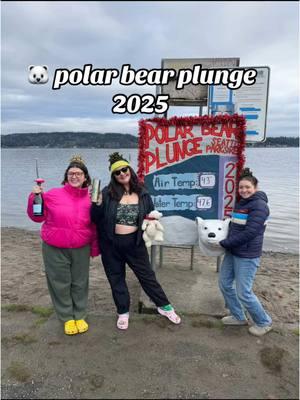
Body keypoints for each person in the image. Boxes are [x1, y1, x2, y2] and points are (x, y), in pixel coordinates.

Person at [91, 152, 181, 330]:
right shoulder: (106, 193)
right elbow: (95, 218)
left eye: (124, 169)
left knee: (147, 276)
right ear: (113, 176)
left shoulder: (143, 193)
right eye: (117, 172)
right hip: (111, 244)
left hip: (135, 243)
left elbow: (151, 215)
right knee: (116, 279)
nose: (122, 174)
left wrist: (153, 223)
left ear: (130, 170)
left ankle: (164, 306)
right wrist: (97, 205)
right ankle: (123, 312)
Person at [27, 155, 99, 335]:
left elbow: (96, 224)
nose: (74, 176)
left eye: (79, 173)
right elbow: (37, 217)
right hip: (54, 248)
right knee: (60, 283)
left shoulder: (92, 198)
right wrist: (34, 197)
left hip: (81, 248)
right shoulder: (51, 194)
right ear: (66, 176)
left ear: (85, 177)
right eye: (71, 173)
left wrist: (95, 247)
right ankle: (67, 317)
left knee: (80, 282)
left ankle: (80, 314)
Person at [212, 167, 272, 337]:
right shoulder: (242, 203)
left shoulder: (259, 206)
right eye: (241, 188)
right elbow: (236, 226)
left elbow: (250, 232)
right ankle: (239, 316)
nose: (244, 190)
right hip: (233, 251)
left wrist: (224, 243)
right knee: (224, 284)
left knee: (244, 292)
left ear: (255, 187)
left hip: (247, 255)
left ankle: (264, 322)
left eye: (247, 187)